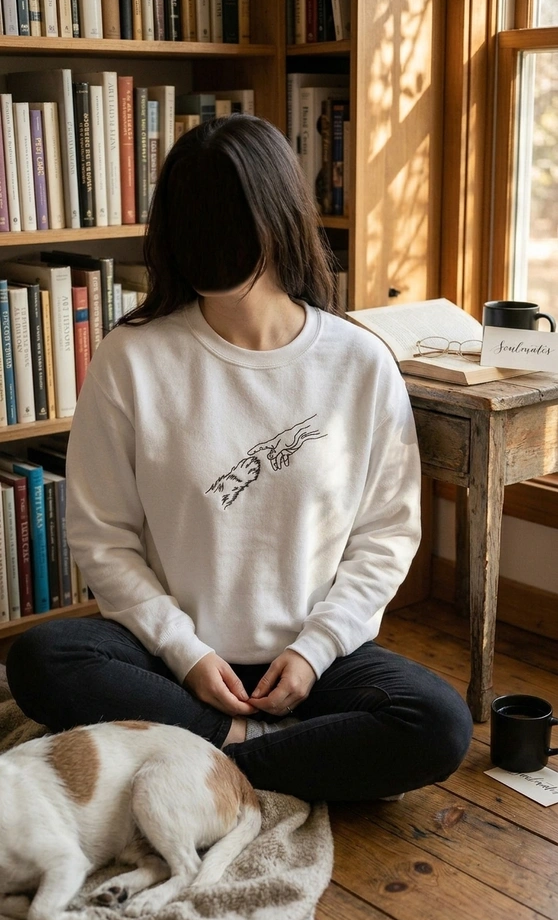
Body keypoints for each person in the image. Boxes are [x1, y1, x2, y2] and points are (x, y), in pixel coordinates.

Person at [6, 115, 472, 802]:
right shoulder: (132, 357)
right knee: (41, 660)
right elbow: (103, 538)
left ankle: (216, 757)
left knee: (438, 724)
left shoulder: (359, 362)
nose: (208, 246)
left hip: (312, 659)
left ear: (278, 217)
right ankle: (252, 748)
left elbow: (386, 535)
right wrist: (185, 653)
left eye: (225, 226)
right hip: (172, 658)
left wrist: (314, 651)